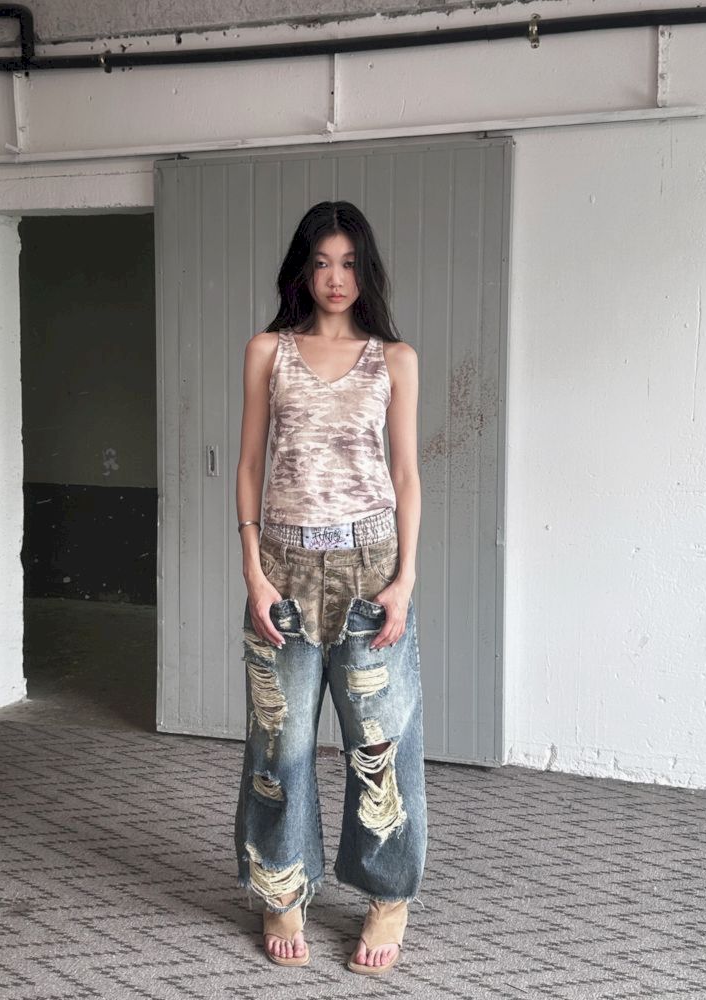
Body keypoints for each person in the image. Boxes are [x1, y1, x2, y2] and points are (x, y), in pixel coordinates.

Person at [233, 200, 427, 976]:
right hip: (281, 569)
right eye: (321, 263)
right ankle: (282, 885)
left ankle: (387, 895)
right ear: (302, 271)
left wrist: (405, 580)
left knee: (379, 745)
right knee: (278, 744)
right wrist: (253, 571)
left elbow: (406, 475)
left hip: (369, 569)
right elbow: (250, 464)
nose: (335, 278)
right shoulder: (267, 351)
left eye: (348, 263)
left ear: (365, 270)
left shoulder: (394, 359)